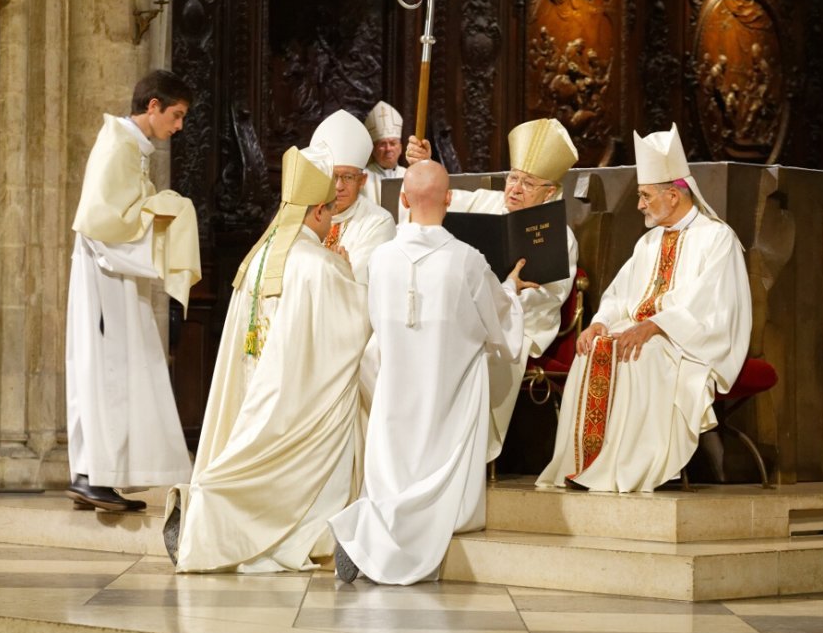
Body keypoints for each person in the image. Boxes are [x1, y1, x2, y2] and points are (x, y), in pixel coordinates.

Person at [164, 141, 370, 573]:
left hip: (257, 386)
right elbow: (354, 330)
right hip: (300, 397)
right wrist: (349, 271)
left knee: (252, 455)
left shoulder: (257, 258)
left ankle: (201, 510)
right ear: (316, 212)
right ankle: (210, 517)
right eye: (330, 211)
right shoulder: (320, 264)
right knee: (296, 478)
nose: (331, 219)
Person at [328, 160, 531, 585]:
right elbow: (500, 330)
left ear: (402, 199)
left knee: (393, 465)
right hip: (447, 391)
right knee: (480, 366)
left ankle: (370, 528)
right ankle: (389, 532)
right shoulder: (467, 260)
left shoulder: (381, 258)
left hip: (397, 387)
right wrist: (511, 290)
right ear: (450, 200)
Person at [537, 124, 752, 493]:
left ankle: (632, 468)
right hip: (645, 331)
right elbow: (621, 294)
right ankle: (586, 464)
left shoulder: (717, 238)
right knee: (593, 350)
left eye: (645, 196)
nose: (639, 205)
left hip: (690, 344)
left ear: (673, 195)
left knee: (640, 352)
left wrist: (655, 326)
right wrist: (601, 323)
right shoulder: (649, 241)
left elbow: (713, 308)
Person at [65, 70, 201, 512]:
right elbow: (101, 228)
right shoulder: (116, 145)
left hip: (118, 281)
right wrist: (164, 220)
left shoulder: (131, 148)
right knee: (107, 374)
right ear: (153, 106)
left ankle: (97, 474)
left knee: (116, 374)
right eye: (176, 116)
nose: (178, 127)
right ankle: (93, 476)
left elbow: (124, 216)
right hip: (106, 282)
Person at [406, 119, 579, 461]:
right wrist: (424, 165)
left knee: (473, 354)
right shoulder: (482, 203)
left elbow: (544, 301)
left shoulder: (560, 236)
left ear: (551, 191)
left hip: (513, 328)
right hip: (462, 316)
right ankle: (421, 448)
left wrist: (498, 301)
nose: (514, 188)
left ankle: (460, 456)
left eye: (528, 183)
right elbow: (432, 201)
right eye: (512, 177)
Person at [315, 109, 396, 284]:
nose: (339, 186)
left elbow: (360, 280)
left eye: (348, 177)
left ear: (362, 180)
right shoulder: (308, 214)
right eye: (333, 176)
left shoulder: (378, 221)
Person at [361, 101, 405, 210]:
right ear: (373, 150)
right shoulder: (362, 178)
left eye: (393, 143)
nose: (388, 148)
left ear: (400, 148)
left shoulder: (410, 176)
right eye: (382, 144)